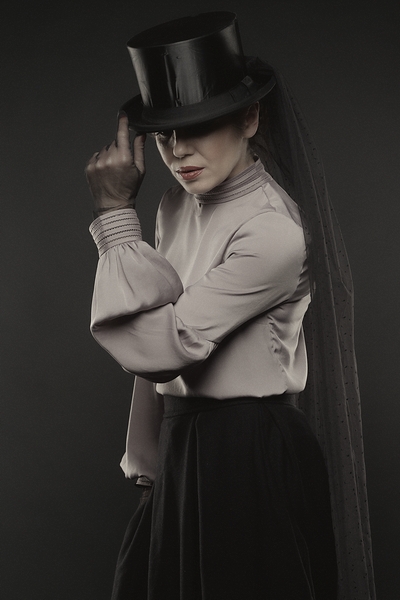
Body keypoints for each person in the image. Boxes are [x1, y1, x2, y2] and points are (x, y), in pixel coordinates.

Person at [85, 12, 375, 600]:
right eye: (165, 134)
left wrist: (115, 216)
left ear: (250, 118)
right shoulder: (173, 206)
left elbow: (166, 345)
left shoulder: (273, 231)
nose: (179, 151)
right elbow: (153, 343)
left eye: (199, 127)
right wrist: (147, 462)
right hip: (184, 445)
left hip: (250, 452)